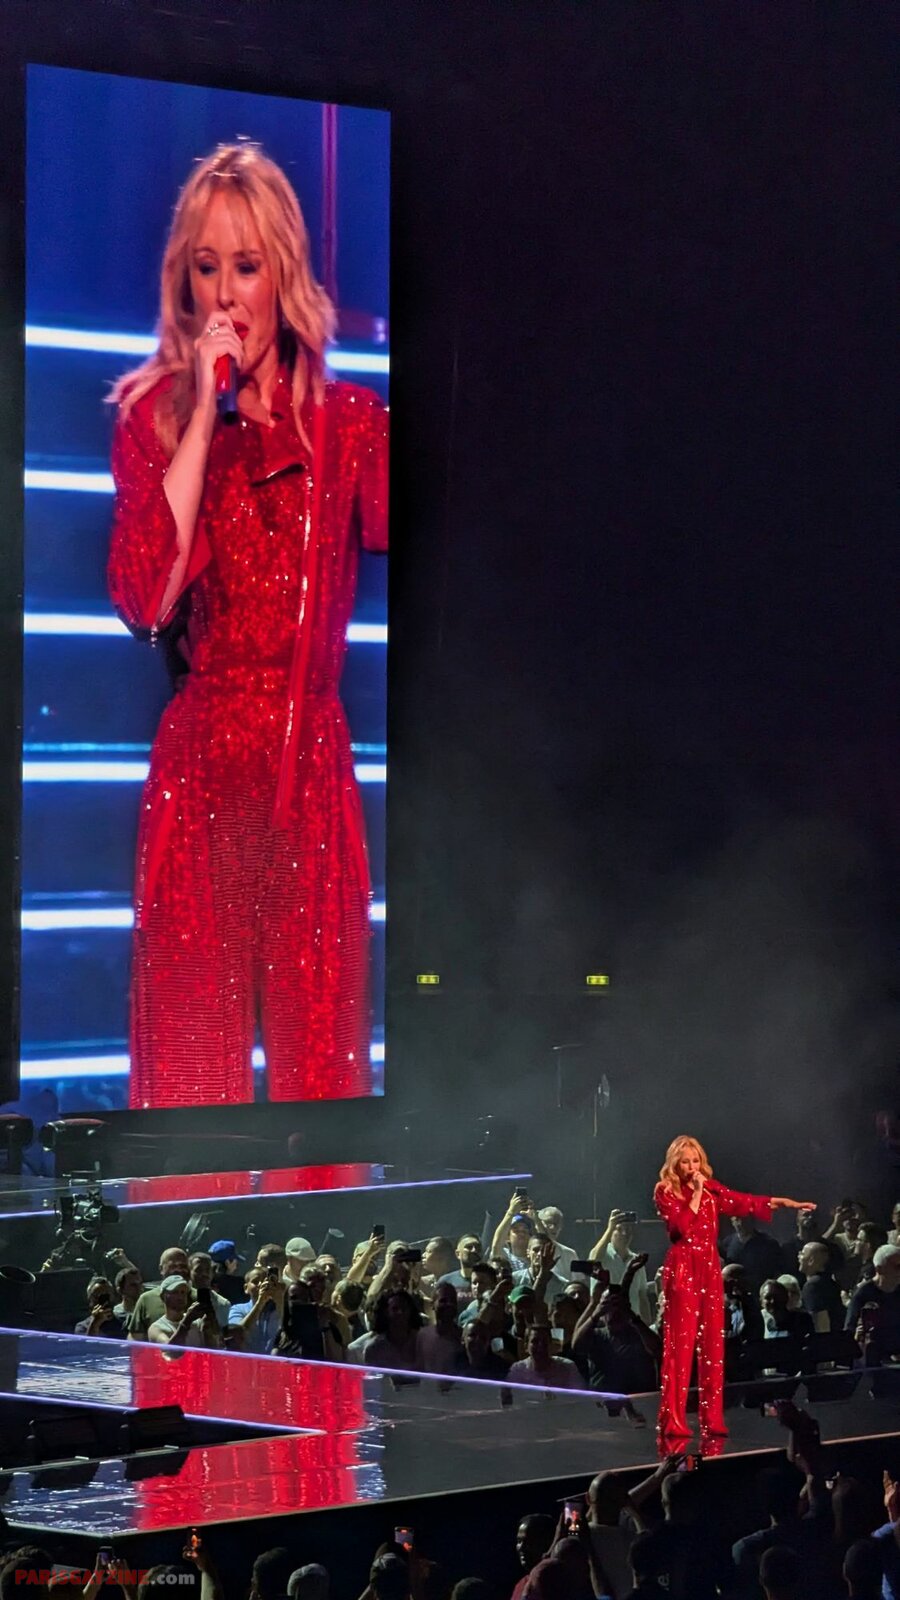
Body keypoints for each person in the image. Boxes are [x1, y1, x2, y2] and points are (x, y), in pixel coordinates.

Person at [107, 142, 388, 1110]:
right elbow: (144, 598)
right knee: (192, 1087)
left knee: (324, 1083)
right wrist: (201, 416)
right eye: (206, 266)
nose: (226, 293)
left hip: (309, 773)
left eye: (247, 265)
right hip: (200, 777)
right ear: (183, 280)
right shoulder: (152, 419)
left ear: (284, 274)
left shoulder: (352, 426)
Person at [654, 1134, 813, 1437]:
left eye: (696, 1161)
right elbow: (679, 1229)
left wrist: (782, 1203)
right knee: (683, 1348)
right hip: (685, 1268)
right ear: (675, 1164)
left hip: (709, 1268)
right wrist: (697, 1194)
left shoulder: (711, 1189)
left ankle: (716, 1419)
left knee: (717, 1346)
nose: (692, 1167)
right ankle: (675, 1422)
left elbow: (743, 1201)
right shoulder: (666, 1191)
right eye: (685, 1162)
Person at [590, 1208, 652, 1322]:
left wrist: (647, 1325)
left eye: (628, 1229)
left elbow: (642, 1296)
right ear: (611, 1232)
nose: (625, 1234)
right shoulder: (603, 1255)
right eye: (619, 1229)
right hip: (605, 1323)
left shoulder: (636, 1261)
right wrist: (610, 1228)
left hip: (631, 1324)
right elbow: (594, 1259)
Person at [845, 1244, 900, 1363]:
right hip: (873, 1358)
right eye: (897, 1267)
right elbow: (850, 1329)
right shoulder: (864, 1293)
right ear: (880, 1269)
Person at [274, 1279, 346, 1362]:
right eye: (294, 1298)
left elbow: (337, 1360)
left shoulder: (326, 1328)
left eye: (304, 1299)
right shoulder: (283, 1332)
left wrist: (324, 1326)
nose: (300, 1302)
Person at [128, 1246, 191, 1340]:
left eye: (183, 1266)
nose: (179, 1270)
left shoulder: (200, 1297)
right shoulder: (146, 1299)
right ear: (161, 1269)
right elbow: (135, 1339)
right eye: (173, 1266)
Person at [148, 1273, 222, 1347]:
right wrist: (186, 1322)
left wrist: (208, 1328)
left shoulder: (197, 1323)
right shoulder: (157, 1328)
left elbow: (213, 1349)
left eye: (183, 1292)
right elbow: (170, 1350)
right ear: (162, 1296)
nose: (180, 1297)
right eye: (175, 1292)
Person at [724, 1212, 786, 1294]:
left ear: (752, 1219)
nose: (741, 1223)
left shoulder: (769, 1244)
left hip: (760, 1295)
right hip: (736, 1296)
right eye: (737, 1219)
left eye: (744, 1219)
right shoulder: (727, 1244)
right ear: (732, 1221)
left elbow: (777, 1273)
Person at [227, 1265, 284, 1353]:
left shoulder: (281, 1308)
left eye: (266, 1281)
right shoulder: (237, 1309)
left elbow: (291, 1330)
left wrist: (280, 1300)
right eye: (255, 1281)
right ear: (246, 1288)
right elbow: (237, 1334)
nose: (261, 1284)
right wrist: (260, 1303)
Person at [508, 1322, 582, 1388]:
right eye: (535, 1341)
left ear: (551, 1344)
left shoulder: (568, 1367)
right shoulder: (518, 1370)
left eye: (544, 1341)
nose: (540, 1346)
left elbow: (580, 1395)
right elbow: (507, 1395)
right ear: (526, 1346)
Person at [416, 1282, 466, 1373]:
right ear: (432, 1304)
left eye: (452, 1300)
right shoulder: (422, 1336)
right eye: (443, 1301)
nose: (449, 1304)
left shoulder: (464, 1337)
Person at [797, 1240, 845, 1333]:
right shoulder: (830, 1283)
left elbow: (820, 1322)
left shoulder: (812, 1286)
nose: (798, 1256)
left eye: (802, 1253)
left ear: (811, 1261)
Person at [511, 1516, 556, 1600]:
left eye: (530, 1541)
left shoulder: (555, 1584)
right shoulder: (521, 1585)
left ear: (548, 1542)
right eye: (519, 1541)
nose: (521, 1547)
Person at [439, 1234, 486, 1303]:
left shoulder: (490, 1280)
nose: (474, 1250)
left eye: (477, 1247)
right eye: (469, 1247)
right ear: (458, 1254)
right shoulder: (446, 1282)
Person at [536, 1207, 577, 1280]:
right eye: (548, 1223)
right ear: (539, 1224)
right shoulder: (528, 1250)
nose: (553, 1227)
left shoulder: (570, 1254)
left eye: (557, 1223)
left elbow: (578, 1281)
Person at [208, 1239, 247, 1305]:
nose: (236, 1264)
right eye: (235, 1260)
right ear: (228, 1262)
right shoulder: (240, 1285)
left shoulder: (202, 1283)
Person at [113, 1264, 144, 1329]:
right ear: (120, 1290)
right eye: (133, 1285)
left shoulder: (148, 1313)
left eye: (140, 1284)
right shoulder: (114, 1317)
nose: (139, 1288)